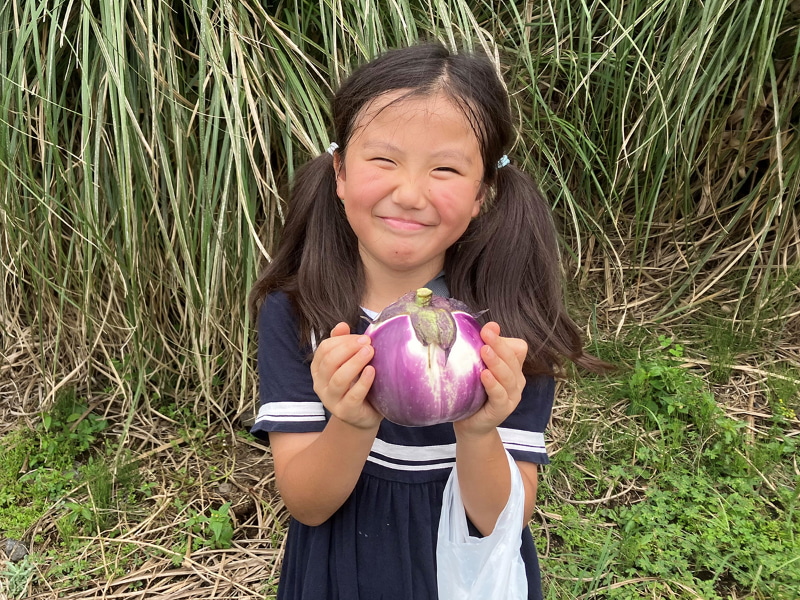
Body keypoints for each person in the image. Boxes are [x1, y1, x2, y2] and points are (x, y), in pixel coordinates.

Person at [248, 42, 606, 600]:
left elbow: (499, 516)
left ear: (483, 192)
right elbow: (306, 502)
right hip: (344, 572)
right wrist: (353, 422)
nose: (409, 193)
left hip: (466, 573)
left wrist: (480, 428)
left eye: (444, 168)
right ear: (339, 171)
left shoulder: (504, 327)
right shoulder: (301, 316)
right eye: (383, 161)